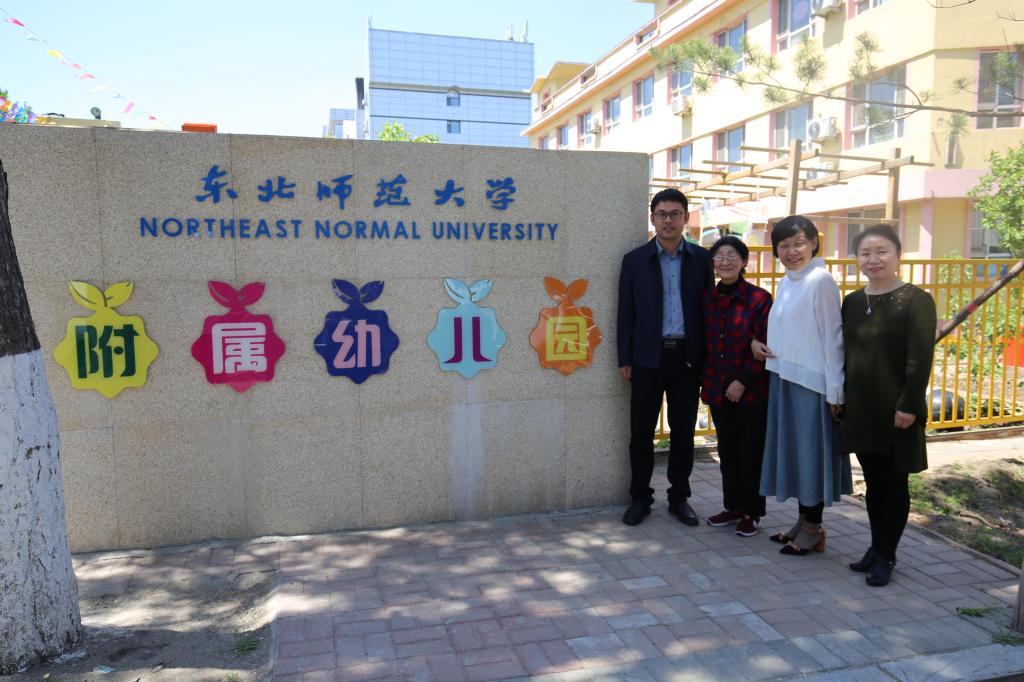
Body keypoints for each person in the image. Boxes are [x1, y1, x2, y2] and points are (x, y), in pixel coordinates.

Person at [842, 225, 936, 587]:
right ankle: (875, 546)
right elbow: (845, 353)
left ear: (898, 255)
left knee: (894, 484)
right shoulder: (853, 301)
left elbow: (920, 358)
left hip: (898, 409)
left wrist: (909, 405)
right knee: (873, 482)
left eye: (882, 251)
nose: (873, 259)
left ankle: (887, 555)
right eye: (865, 253)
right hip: (861, 408)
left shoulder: (916, 300)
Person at [753, 215, 851, 555]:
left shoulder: (820, 281)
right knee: (796, 455)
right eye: (784, 245)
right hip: (784, 378)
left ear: (814, 244)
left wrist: (835, 390)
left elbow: (833, 338)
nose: (792, 251)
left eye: (799, 243)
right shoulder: (788, 281)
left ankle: (813, 528)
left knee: (810, 456)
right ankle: (802, 522)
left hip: (812, 384)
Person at [617, 188, 714, 526]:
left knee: (683, 431)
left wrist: (705, 358)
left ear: (685, 218)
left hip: (686, 358)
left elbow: (708, 311)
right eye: (662, 214)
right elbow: (625, 313)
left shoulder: (701, 259)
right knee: (641, 432)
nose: (668, 220)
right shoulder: (634, 260)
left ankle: (679, 497)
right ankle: (640, 498)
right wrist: (624, 357)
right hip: (646, 357)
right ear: (653, 218)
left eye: (675, 214)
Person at [701, 236, 773, 537]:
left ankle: (752, 512)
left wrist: (742, 381)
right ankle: (732, 506)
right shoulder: (708, 299)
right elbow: (705, 343)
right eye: (719, 256)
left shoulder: (759, 299)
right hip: (718, 388)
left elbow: (766, 345)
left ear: (744, 262)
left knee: (750, 453)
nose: (725, 261)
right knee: (727, 451)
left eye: (732, 256)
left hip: (751, 391)